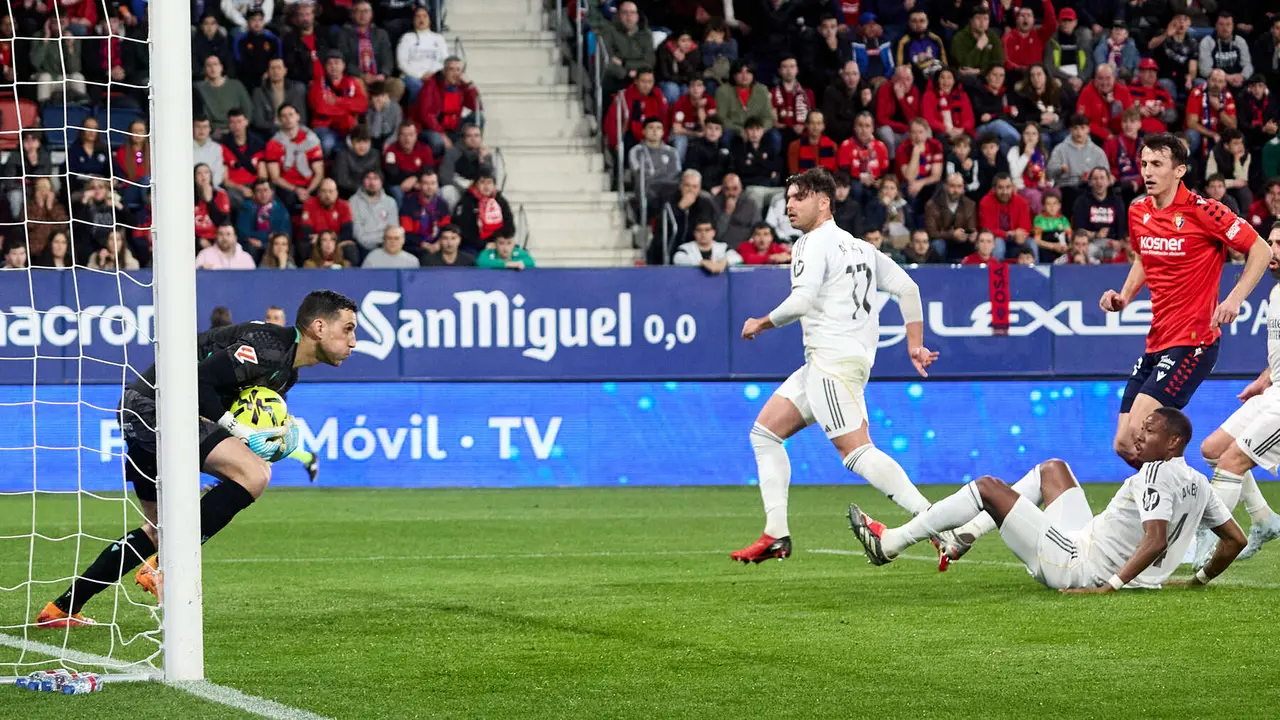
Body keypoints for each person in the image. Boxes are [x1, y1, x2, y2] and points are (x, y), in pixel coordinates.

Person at [36, 291, 358, 626]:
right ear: (319, 327)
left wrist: (275, 440)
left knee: (159, 530)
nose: (353, 341)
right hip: (154, 405)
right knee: (255, 474)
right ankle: (164, 565)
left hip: (142, 408)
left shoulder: (286, 372)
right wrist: (238, 430)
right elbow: (199, 381)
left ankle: (61, 609)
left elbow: (244, 413)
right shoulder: (270, 347)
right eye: (348, 329)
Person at [730, 168, 944, 564]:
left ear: (823, 202)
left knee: (856, 453)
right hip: (837, 361)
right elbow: (908, 288)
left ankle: (935, 522)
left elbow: (801, 301)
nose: (789, 205)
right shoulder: (860, 247)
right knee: (765, 433)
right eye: (788, 198)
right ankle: (775, 534)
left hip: (831, 362)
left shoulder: (811, 243)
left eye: (798, 197)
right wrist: (914, 344)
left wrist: (760, 322)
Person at [849, 408, 1247, 589]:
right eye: (1141, 428)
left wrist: (1109, 587)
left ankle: (891, 543)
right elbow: (1235, 540)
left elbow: (1155, 539)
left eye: (1150, 431)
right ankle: (962, 536)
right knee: (1053, 469)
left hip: (1079, 566)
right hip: (1087, 541)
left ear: (1173, 442)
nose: (1139, 436)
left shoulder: (1155, 474)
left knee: (988, 487)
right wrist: (1197, 581)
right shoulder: (1199, 482)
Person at [1100, 133, 1270, 469]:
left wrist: (1234, 299)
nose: (1147, 171)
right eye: (1144, 164)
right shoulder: (1138, 211)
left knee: (1138, 435)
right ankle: (1187, 495)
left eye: (1157, 164)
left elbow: (1261, 249)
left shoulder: (1205, 212)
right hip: (1157, 341)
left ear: (1179, 171)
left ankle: (1185, 498)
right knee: (1124, 444)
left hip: (1195, 342)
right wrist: (1124, 296)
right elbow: (1143, 256)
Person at [1192, 223, 1280, 567]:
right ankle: (1264, 519)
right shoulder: (1275, 294)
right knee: (1213, 449)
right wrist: (1264, 379)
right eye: (1270, 242)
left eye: (1279, 244)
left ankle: (1207, 539)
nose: (1272, 250)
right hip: (1273, 390)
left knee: (1232, 462)